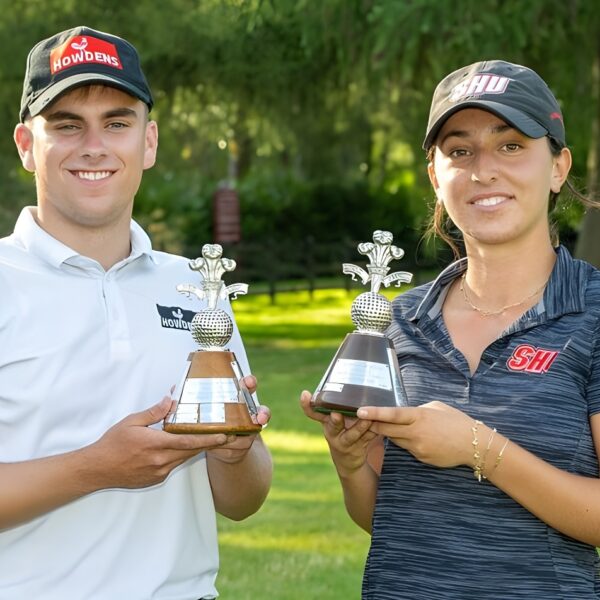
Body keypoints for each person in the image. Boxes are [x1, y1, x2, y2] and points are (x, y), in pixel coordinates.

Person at [301, 60, 600, 599]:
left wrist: (479, 448)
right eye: (460, 150)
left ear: (558, 167)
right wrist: (350, 466)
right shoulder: (399, 323)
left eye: (511, 146)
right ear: (437, 177)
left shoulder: (595, 312)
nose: (483, 170)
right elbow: (389, 519)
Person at [0, 26, 272, 599]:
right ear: (26, 144)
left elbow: (243, 502)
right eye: (67, 125)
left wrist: (236, 450)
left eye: (116, 123)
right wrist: (94, 468)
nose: (93, 146)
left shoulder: (199, 285)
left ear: (148, 142)